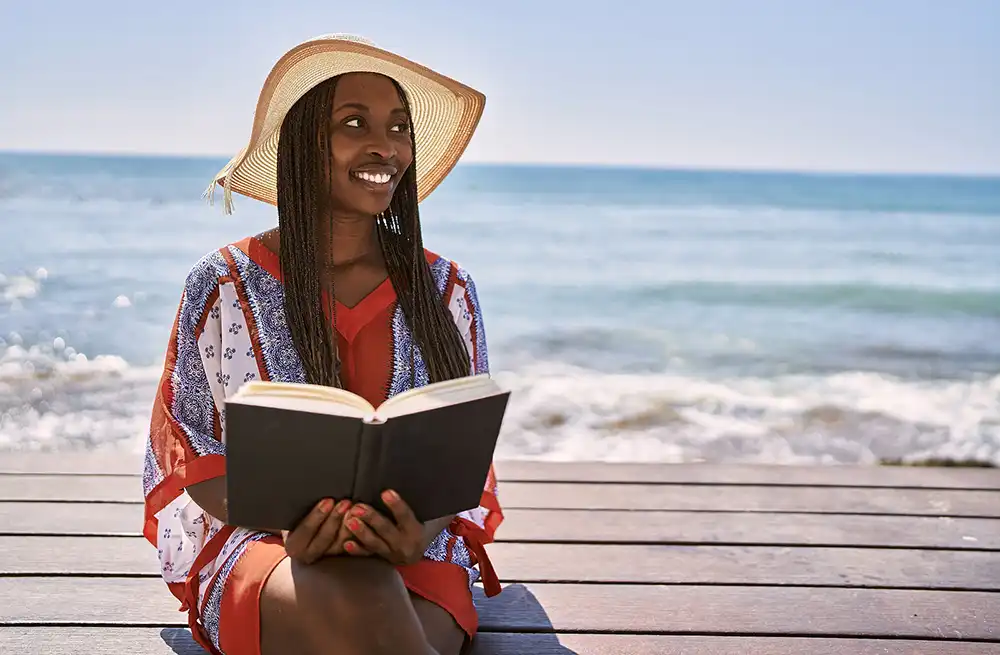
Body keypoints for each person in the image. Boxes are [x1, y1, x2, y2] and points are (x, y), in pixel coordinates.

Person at [141, 34, 503, 655]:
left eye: (398, 128)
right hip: (261, 545)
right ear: (306, 142)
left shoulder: (447, 289)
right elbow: (191, 452)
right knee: (363, 602)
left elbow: (462, 458)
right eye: (354, 123)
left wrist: (416, 533)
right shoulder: (223, 282)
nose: (384, 147)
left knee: (376, 605)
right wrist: (293, 527)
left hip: (415, 548)